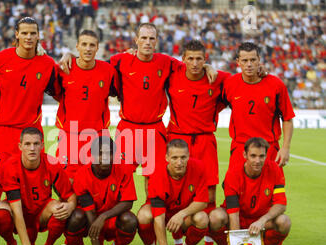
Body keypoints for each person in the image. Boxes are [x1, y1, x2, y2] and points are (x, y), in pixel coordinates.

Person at [60, 23, 217, 193]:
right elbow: (92, 64)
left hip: (155, 130)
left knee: (154, 181)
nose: (147, 42)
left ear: (156, 41)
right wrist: (70, 55)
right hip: (128, 128)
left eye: (151, 38)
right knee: (118, 177)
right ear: (136, 40)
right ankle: (116, 216)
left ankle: (151, 216)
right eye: (143, 38)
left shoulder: (166, 62)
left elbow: (191, 67)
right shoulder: (120, 60)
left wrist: (208, 66)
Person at [0, 17, 60, 245]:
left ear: (38, 36)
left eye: (33, 33)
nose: (28, 37)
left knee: (30, 191)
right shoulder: (0, 60)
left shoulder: (47, 64)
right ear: (16, 34)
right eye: (24, 32)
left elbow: (63, 93)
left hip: (31, 135)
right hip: (3, 133)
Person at [222, 42, 295, 245]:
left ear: (259, 60)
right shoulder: (230, 84)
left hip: (269, 149)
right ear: (238, 63)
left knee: (270, 196)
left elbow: (288, 118)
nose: (249, 64)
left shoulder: (275, 84)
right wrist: (208, 68)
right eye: (244, 60)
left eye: (253, 59)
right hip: (240, 148)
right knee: (232, 197)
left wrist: (285, 147)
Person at [53, 29, 118, 245]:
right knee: (67, 192)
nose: (88, 49)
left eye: (93, 45)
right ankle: (73, 244)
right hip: (69, 137)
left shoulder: (108, 71)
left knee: (95, 192)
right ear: (77, 47)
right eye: (84, 44)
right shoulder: (63, 70)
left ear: (98, 47)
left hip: (97, 140)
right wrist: (65, 56)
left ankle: (101, 242)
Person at [166, 40, 232, 245]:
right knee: (176, 193)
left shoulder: (218, 78)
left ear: (206, 60)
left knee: (210, 194)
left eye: (199, 59)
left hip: (204, 142)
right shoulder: (172, 74)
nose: (194, 63)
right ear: (183, 59)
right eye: (190, 58)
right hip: (177, 139)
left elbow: (243, 81)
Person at [0, 127, 77, 245]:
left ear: (42, 146)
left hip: (41, 212)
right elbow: (16, 210)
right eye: (27, 144)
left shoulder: (52, 163)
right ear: (20, 146)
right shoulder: (10, 166)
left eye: (36, 144)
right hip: (18, 211)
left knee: (61, 208)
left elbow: (70, 195)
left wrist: (71, 206)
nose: (32, 148)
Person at [209, 137, 291, 245]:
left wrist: (262, 221)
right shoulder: (233, 173)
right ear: (244, 155)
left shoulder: (275, 169)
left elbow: (281, 204)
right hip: (237, 218)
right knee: (215, 217)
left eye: (261, 156)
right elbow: (233, 214)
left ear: (266, 156)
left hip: (259, 221)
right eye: (253, 156)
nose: (257, 161)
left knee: (284, 222)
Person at [137, 139, 210, 245]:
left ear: (188, 156)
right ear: (167, 158)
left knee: (202, 218)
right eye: (174, 158)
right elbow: (158, 217)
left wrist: (181, 214)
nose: (179, 162)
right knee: (143, 216)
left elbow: (203, 201)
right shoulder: (157, 174)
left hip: (183, 215)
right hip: (161, 214)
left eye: (183, 157)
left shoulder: (199, 167)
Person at [68, 136, 138, 245]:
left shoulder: (124, 169)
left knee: (130, 220)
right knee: (74, 217)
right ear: (92, 155)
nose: (105, 157)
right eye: (100, 153)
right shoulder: (82, 175)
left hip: (112, 219)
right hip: (90, 219)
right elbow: (90, 212)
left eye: (108, 153)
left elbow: (128, 202)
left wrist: (104, 216)